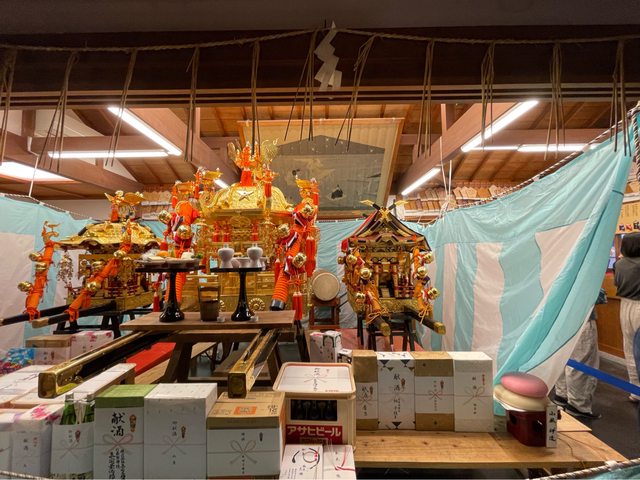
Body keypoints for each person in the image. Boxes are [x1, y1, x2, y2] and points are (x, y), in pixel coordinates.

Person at [554, 289, 607, 419]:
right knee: (582, 364)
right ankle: (578, 405)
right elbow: (597, 295)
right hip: (581, 319)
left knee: (563, 360)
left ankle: (562, 396)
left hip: (560, 320)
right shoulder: (586, 276)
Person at [613, 232, 640, 403]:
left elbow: (616, 283)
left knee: (629, 348)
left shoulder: (619, 264)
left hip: (625, 307)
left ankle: (635, 391)